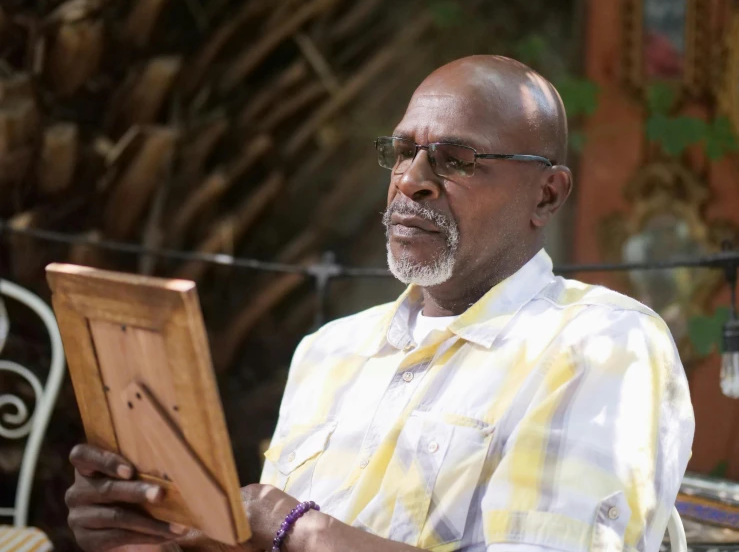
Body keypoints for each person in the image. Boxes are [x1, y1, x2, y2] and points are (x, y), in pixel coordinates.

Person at [64, 55, 695, 552]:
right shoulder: (330, 350)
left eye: (456, 160)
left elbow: (285, 533)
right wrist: (148, 530)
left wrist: (294, 526)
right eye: (401, 153)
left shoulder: (600, 345)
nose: (411, 179)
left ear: (547, 196)